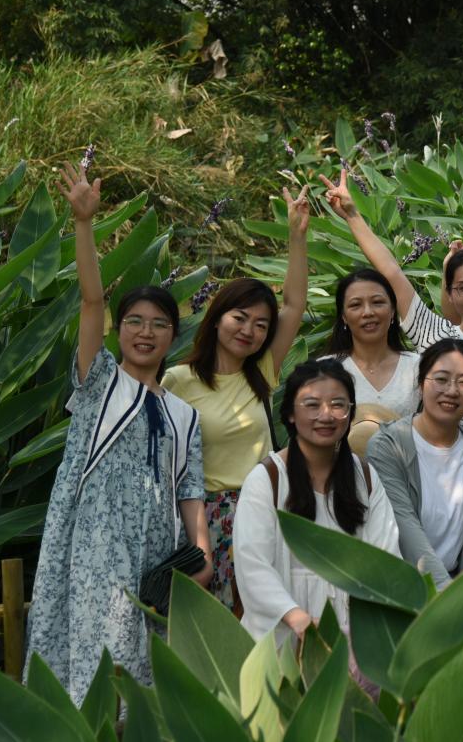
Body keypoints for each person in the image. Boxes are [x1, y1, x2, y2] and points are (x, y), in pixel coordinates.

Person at [28, 162, 208, 703]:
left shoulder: (184, 414)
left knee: (148, 663)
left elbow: (190, 492)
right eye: (134, 321)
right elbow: (91, 301)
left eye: (159, 324)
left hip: (158, 549)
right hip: (94, 540)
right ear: (119, 329)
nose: (145, 332)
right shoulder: (99, 382)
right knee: (95, 650)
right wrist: (84, 223)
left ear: (174, 335)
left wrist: (200, 554)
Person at [162, 185, 310, 611]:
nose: (249, 330)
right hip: (203, 521)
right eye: (239, 318)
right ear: (216, 318)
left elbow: (294, 305)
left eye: (261, 325)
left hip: (263, 510)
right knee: (215, 622)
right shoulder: (178, 381)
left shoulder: (260, 372)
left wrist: (297, 236)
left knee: (262, 617)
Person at [321, 170, 463, 437]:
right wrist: (352, 215)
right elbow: (391, 271)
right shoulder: (435, 335)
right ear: (449, 293)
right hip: (424, 460)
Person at [232, 360, 400, 642]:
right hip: (284, 637)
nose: (326, 415)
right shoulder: (267, 479)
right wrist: (299, 620)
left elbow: (386, 556)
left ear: (350, 413)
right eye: (312, 405)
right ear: (290, 413)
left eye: (338, 404)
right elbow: (253, 566)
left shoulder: (365, 477)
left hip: (353, 637)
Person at [365, 339, 463, 588]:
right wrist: (445, 596)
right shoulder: (388, 447)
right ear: (421, 384)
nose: (452, 391)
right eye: (441, 379)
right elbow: (406, 529)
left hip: (456, 584)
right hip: (399, 588)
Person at [322, 268, 420, 417]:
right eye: (355, 305)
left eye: (377, 302)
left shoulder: (418, 367)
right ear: (344, 316)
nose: (368, 312)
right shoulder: (324, 371)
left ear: (393, 310)